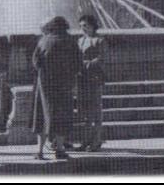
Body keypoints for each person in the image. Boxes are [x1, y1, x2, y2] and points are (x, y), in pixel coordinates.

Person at [31, 16, 82, 160]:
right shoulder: (70, 42)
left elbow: (35, 62)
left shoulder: (43, 41)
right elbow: (78, 63)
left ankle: (40, 151)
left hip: (45, 86)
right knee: (62, 116)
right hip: (64, 85)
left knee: (41, 116)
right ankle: (59, 149)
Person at [75, 14, 107, 152]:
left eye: (86, 26)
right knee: (85, 112)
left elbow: (102, 58)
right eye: (81, 26)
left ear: (93, 26)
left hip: (94, 79)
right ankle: (86, 140)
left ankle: (97, 140)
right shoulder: (80, 41)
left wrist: (86, 64)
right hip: (82, 79)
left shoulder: (100, 41)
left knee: (96, 111)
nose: (83, 29)